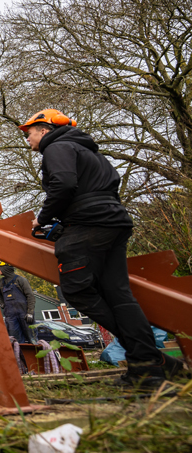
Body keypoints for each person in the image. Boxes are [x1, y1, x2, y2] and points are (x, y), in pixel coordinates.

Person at [20, 108, 185, 387]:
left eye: (30, 132)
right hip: (114, 222)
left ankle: (146, 356)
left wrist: (43, 217)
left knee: (77, 289)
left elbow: (63, 184)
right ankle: (147, 367)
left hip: (89, 226)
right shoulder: (90, 152)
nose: (28, 139)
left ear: (44, 130)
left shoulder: (56, 147)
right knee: (118, 294)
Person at [0, 262, 35, 344]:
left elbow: (30, 296)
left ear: (5, 268)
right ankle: (19, 356)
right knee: (15, 341)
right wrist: (2, 304)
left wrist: (30, 312)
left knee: (32, 339)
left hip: (25, 315)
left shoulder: (20, 280)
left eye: (0, 267)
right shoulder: (1, 282)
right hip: (11, 316)